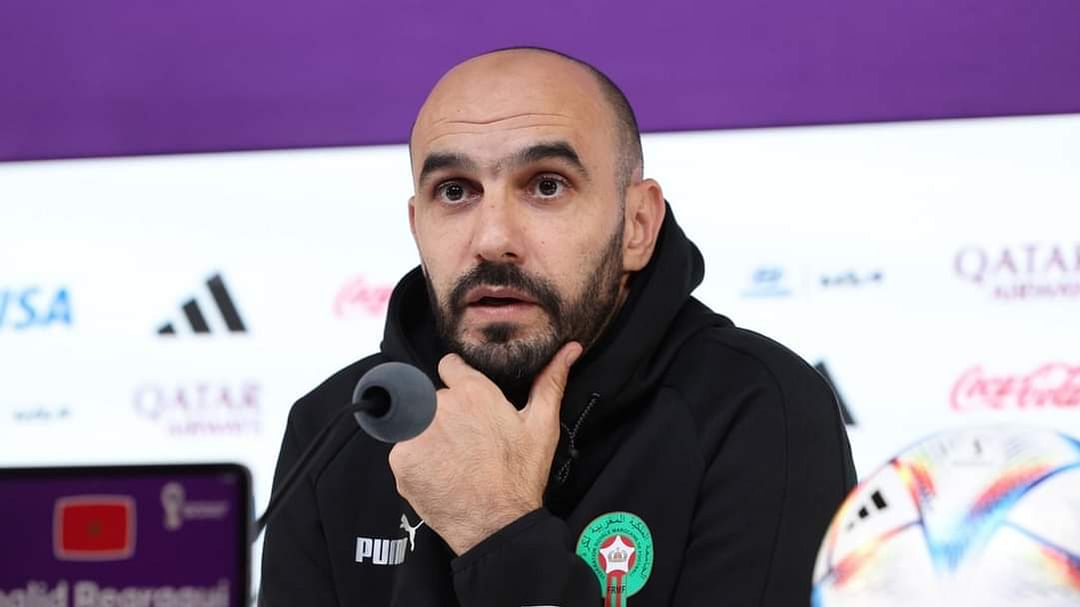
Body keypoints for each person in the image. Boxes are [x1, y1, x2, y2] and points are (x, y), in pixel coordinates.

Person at [260, 47, 856, 607]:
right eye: (455, 191)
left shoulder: (759, 407)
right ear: (417, 226)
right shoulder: (337, 426)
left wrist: (496, 529)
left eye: (547, 186)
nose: (493, 239)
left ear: (638, 225)